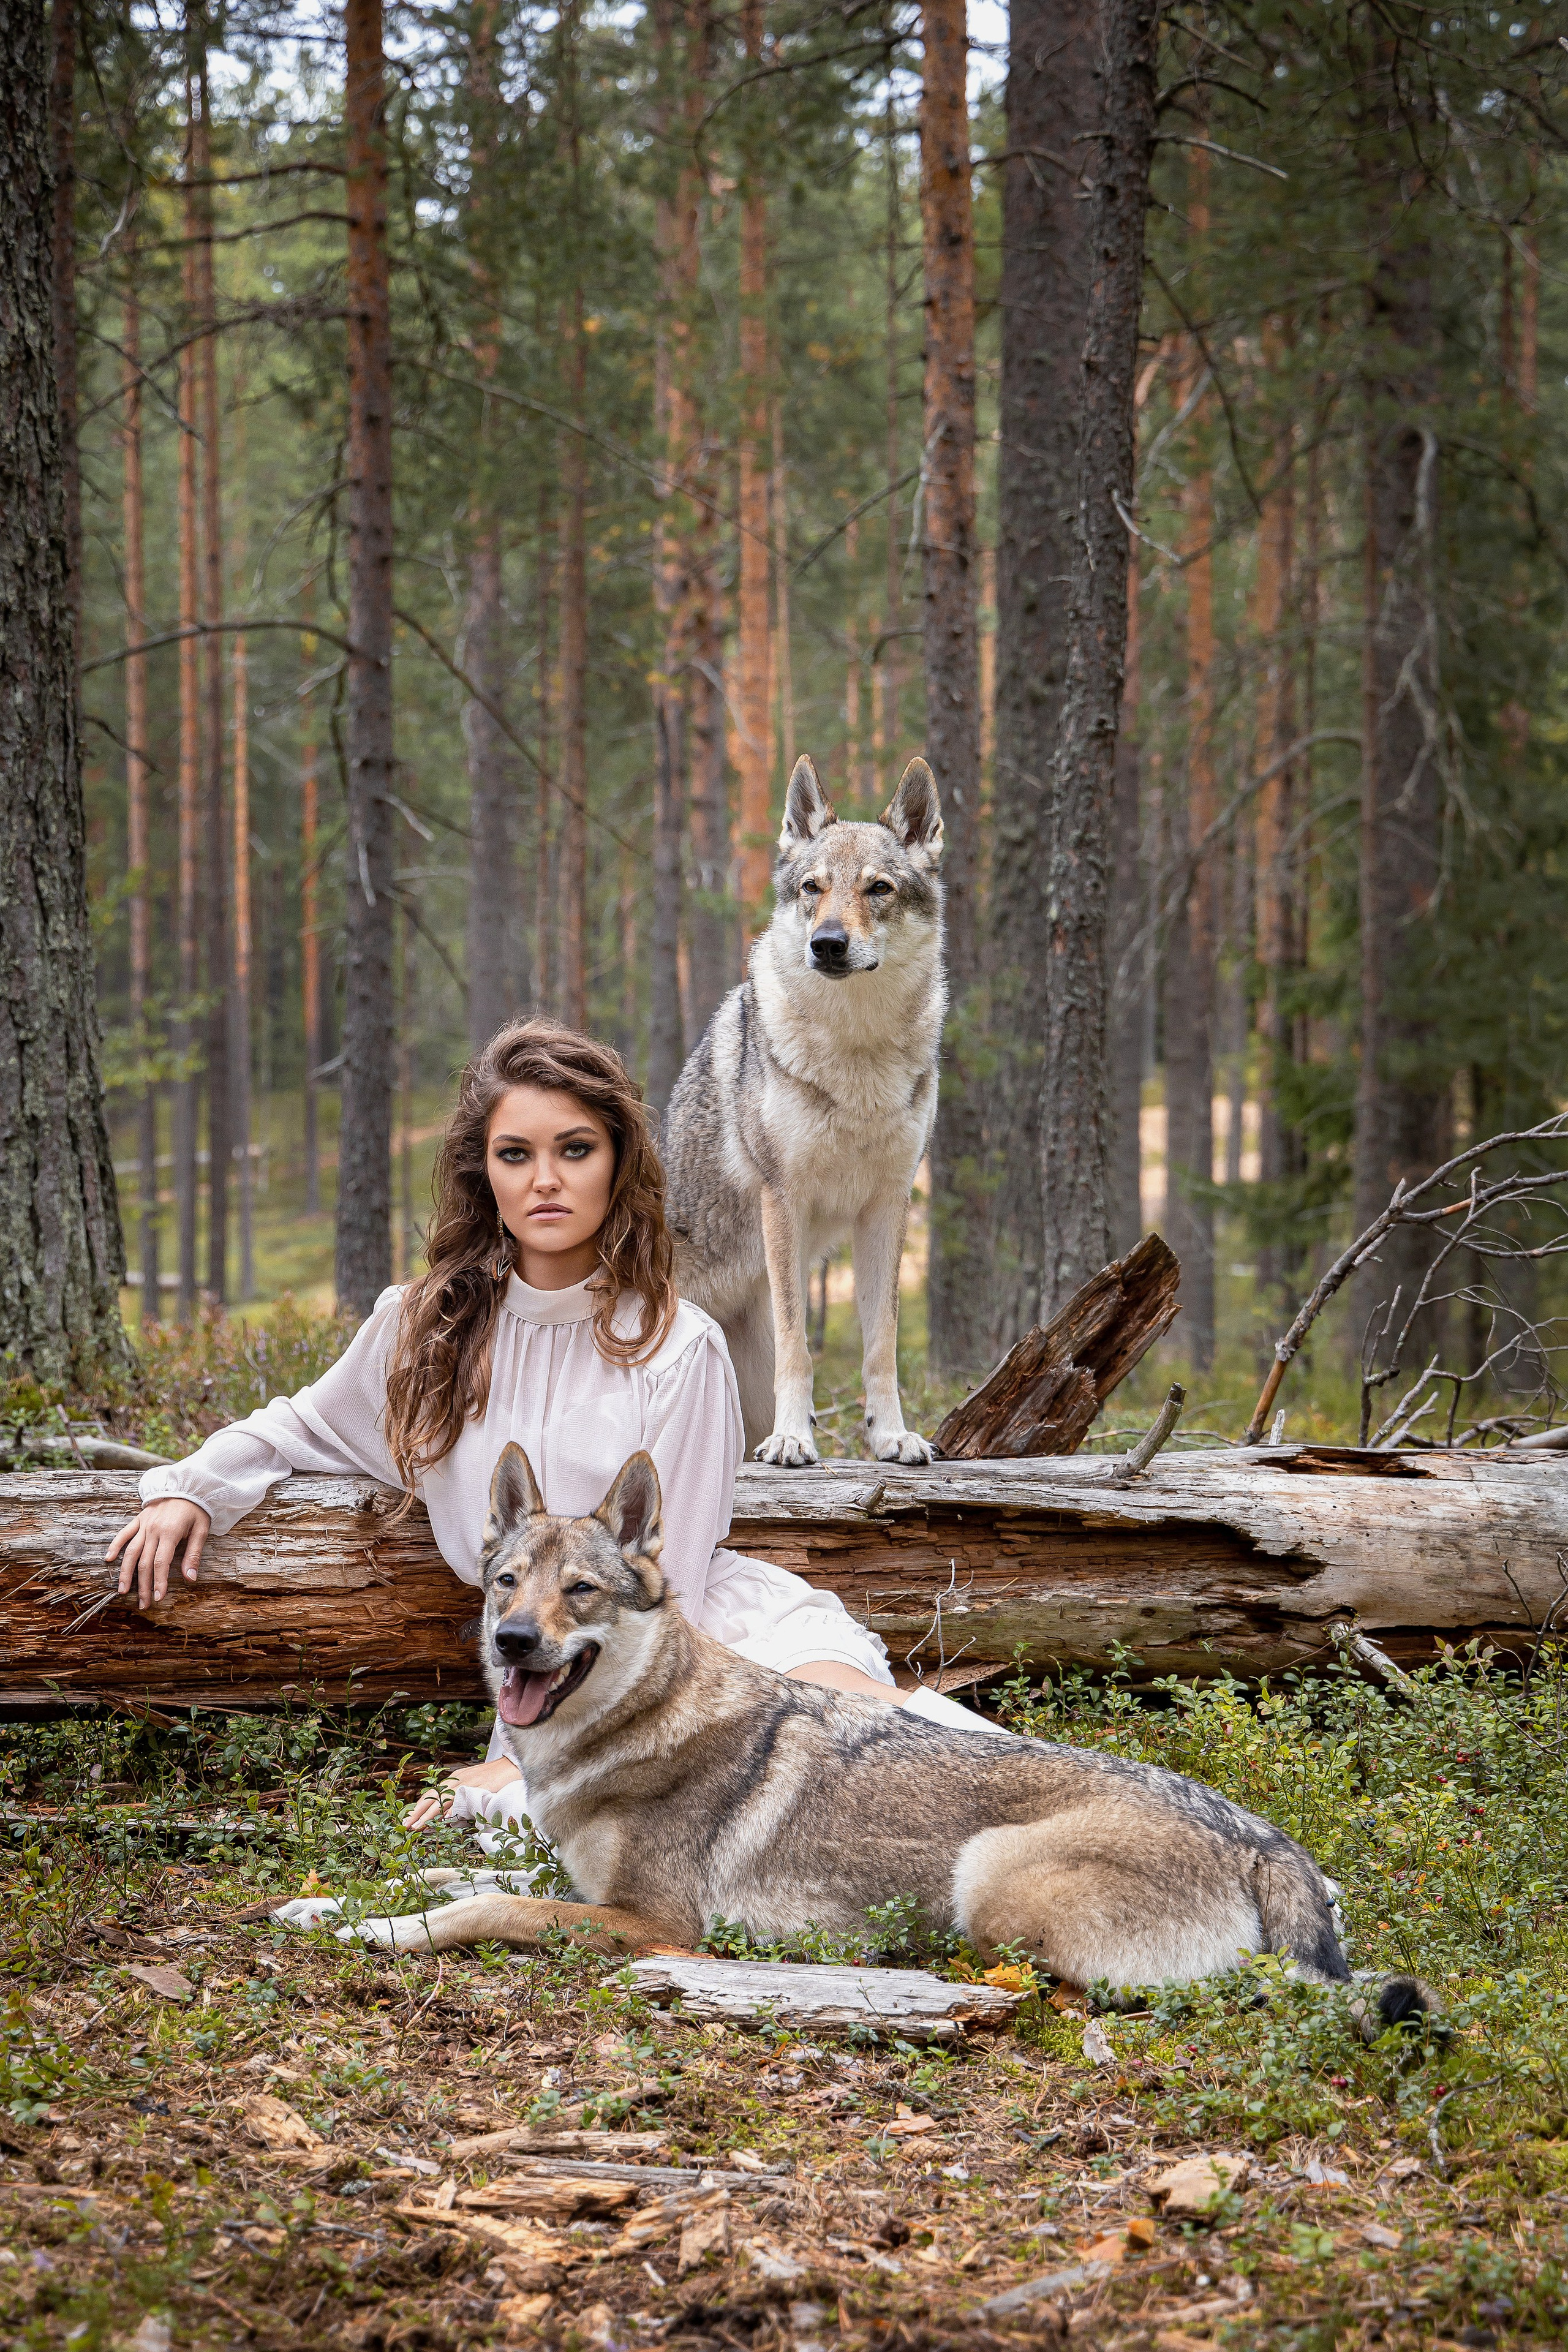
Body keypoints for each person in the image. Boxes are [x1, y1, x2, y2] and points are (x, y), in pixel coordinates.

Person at [107, 1021, 993, 1842]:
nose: (546, 1180)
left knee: (897, 1762)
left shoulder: (678, 1345)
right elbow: (301, 1425)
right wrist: (188, 1490)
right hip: (548, 1658)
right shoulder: (424, 1327)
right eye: (515, 1153)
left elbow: (662, 1585)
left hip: (702, 1643)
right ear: (480, 1172)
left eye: (576, 1150)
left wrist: (512, 1752)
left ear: (617, 1165)